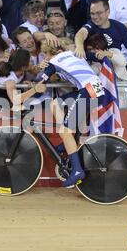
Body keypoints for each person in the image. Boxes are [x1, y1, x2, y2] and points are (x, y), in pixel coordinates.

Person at [37, 42, 106, 188]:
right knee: (55, 103)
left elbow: (40, 85)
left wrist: (23, 97)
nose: (44, 58)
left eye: (45, 54)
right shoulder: (74, 53)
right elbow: (96, 56)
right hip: (95, 88)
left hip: (88, 91)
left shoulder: (53, 62)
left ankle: (77, 171)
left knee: (65, 131)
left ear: (51, 53)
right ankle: (67, 139)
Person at [74, 0, 127, 80]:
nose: (95, 17)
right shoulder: (91, 25)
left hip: (118, 75)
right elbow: (81, 33)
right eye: (92, 13)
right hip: (96, 76)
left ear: (108, 12)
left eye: (99, 13)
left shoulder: (119, 27)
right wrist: (79, 46)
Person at [85, 33, 127, 109]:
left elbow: (122, 62)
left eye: (95, 48)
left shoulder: (114, 51)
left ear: (102, 45)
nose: (93, 51)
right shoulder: (92, 62)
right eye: (90, 49)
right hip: (106, 94)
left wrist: (107, 54)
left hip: (122, 90)